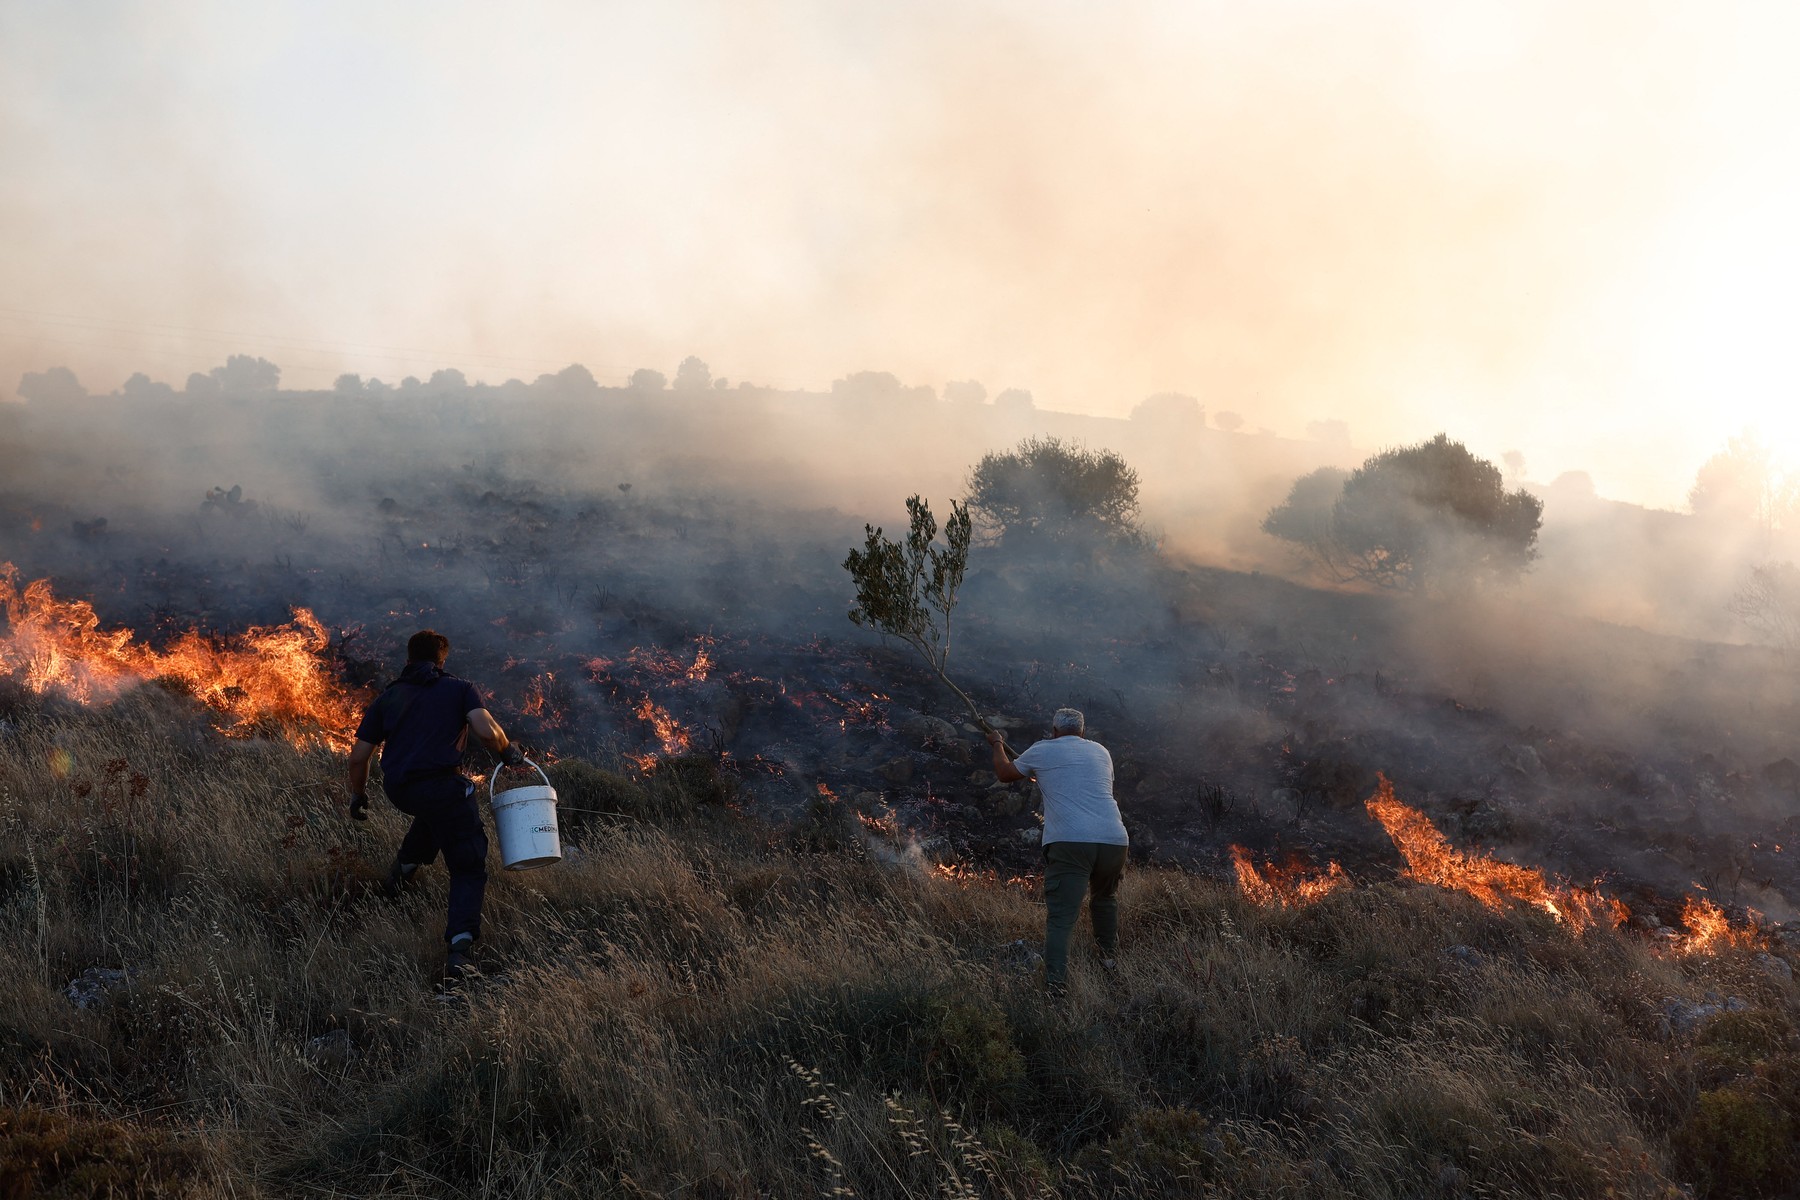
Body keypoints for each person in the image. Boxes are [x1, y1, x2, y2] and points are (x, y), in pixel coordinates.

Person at [345, 629, 523, 981]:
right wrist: (507, 750)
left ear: (408, 659)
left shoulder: (389, 697)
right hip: (443, 786)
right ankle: (460, 949)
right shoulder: (459, 688)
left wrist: (358, 794)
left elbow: (359, 756)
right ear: (443, 661)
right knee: (468, 864)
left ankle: (400, 876)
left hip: (400, 790)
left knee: (435, 814)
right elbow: (486, 730)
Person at [986, 708, 1128, 995]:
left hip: (1071, 842)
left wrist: (997, 743)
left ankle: (1055, 986)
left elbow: (1004, 773)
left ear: (1053, 731)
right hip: (1114, 840)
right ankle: (1109, 963)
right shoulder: (1102, 752)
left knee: (1062, 916)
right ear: (1083, 732)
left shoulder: (1043, 750)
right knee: (1105, 900)